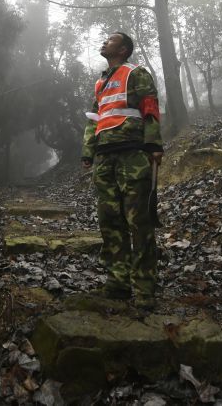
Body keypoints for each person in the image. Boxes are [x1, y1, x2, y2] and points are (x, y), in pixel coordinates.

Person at [81, 31, 163, 309]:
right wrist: (88, 150)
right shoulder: (101, 83)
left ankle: (144, 289)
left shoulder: (135, 73)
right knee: (110, 221)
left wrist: (153, 145)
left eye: (111, 39)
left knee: (138, 221)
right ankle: (117, 282)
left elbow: (150, 107)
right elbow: (95, 118)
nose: (104, 42)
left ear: (124, 49)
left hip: (132, 154)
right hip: (105, 158)